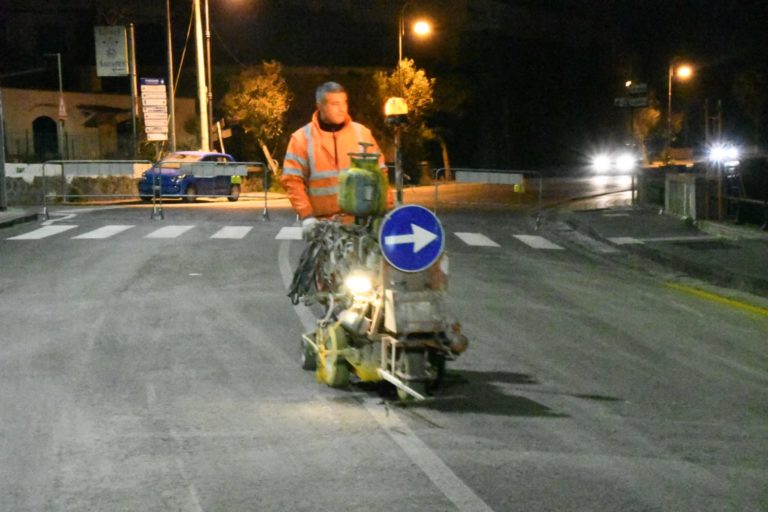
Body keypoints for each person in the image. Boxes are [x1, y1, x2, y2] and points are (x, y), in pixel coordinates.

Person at [281, 82, 392, 236]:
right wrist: (307, 216)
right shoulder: (302, 138)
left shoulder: (362, 133)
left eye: (344, 102)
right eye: (335, 103)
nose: (342, 109)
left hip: (362, 223)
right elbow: (292, 180)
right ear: (320, 106)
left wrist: (387, 210)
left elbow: (380, 174)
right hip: (323, 226)